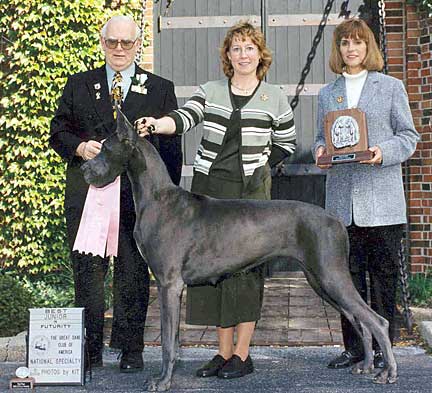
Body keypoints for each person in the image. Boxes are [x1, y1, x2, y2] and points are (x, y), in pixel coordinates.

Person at [136, 21, 296, 379]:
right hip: (211, 188)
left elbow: (287, 142)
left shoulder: (276, 96)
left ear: (260, 55)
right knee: (213, 275)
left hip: (252, 193)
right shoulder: (209, 91)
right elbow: (183, 118)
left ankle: (242, 353)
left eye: (249, 48)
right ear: (228, 55)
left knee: (246, 273)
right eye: (236, 48)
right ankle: (222, 353)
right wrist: (156, 123)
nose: (243, 54)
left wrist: (263, 166)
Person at [50, 15, 182, 372]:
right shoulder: (79, 84)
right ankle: (90, 350)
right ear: (102, 42)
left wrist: (169, 199)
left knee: (134, 273)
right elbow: (58, 131)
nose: (119, 49)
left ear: (138, 44)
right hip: (87, 192)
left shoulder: (160, 88)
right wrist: (79, 148)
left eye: (127, 42)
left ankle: (131, 349)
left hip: (139, 202)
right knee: (88, 275)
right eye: (113, 42)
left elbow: (172, 149)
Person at [313, 18, 419, 370]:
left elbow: (408, 137)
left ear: (368, 46)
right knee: (346, 279)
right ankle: (355, 347)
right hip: (342, 205)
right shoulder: (328, 93)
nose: (352, 48)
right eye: (345, 43)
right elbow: (320, 138)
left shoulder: (390, 87)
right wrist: (319, 153)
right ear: (338, 49)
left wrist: (381, 152)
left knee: (383, 276)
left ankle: (383, 347)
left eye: (358, 42)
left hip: (383, 202)